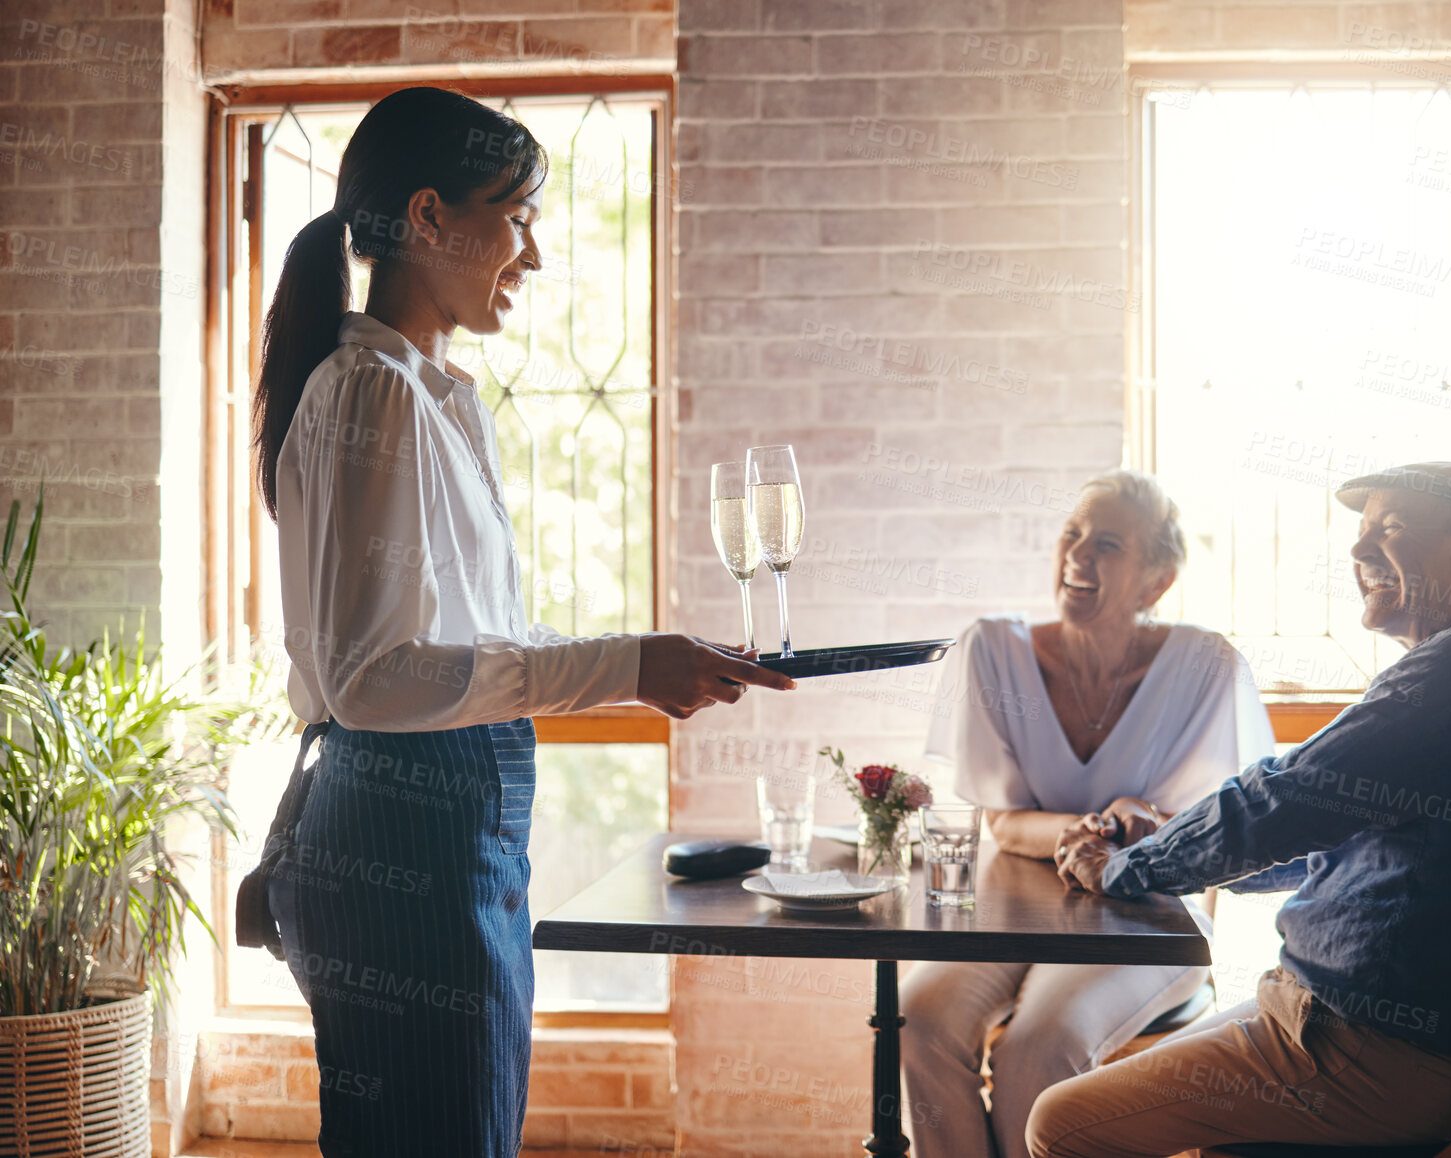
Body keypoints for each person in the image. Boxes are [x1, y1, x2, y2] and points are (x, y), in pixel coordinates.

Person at [252, 87, 794, 1158]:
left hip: (439, 826)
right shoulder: (375, 395)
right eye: (519, 215)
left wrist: (650, 660)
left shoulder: (427, 395)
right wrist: (626, 664)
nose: (533, 254)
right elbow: (373, 680)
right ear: (427, 217)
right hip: (404, 825)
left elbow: (476, 637)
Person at [1027, 462, 1451, 1158]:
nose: (1359, 553)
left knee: (1061, 1124)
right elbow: (1346, 833)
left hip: (1368, 1058)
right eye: (1361, 534)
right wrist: (1167, 842)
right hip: (1378, 1039)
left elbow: (1284, 798)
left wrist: (1124, 867)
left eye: (1390, 530)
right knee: (1121, 1099)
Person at [902, 469, 1275, 1158]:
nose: (1078, 555)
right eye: (1071, 534)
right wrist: (1083, 830)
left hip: (1146, 921)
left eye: (1107, 543)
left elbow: (1226, 830)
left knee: (1037, 1053)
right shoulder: (993, 652)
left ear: (1155, 582)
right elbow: (1005, 822)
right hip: (1009, 913)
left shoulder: (1207, 668)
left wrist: (1141, 825)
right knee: (917, 1019)